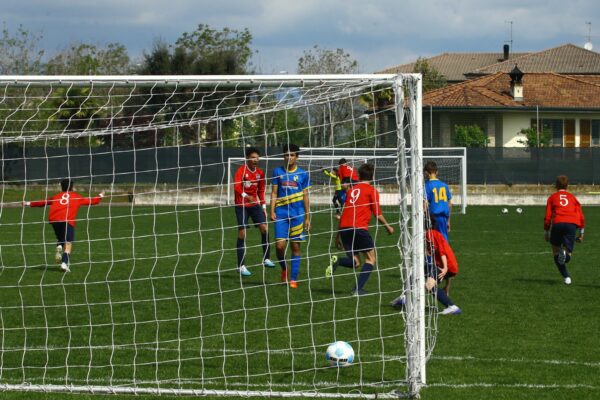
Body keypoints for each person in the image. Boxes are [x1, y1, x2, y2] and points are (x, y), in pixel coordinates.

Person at [326, 163, 394, 295]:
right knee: (371, 259)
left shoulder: (351, 191)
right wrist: (388, 227)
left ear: (359, 175)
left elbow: (345, 212)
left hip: (345, 228)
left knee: (356, 262)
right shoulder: (372, 191)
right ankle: (357, 290)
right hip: (359, 228)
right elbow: (378, 214)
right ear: (373, 176)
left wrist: (337, 236)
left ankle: (338, 261)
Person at [23, 179, 104, 272]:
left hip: (54, 219)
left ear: (61, 187)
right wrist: (100, 195)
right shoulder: (76, 196)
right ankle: (64, 264)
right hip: (66, 220)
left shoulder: (56, 196)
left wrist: (28, 203)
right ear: (72, 187)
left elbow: (43, 202)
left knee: (61, 237)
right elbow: (93, 201)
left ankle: (59, 246)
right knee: (68, 243)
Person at [391, 221, 461, 315]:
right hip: (446, 266)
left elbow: (442, 252)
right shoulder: (432, 234)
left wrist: (444, 268)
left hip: (446, 266)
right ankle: (404, 296)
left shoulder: (429, 234)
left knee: (429, 285)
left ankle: (452, 307)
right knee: (418, 271)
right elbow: (432, 251)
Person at [270, 144, 311, 289]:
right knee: (280, 246)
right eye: (286, 154)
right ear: (283, 156)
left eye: (292, 155)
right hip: (281, 213)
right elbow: (274, 193)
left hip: (297, 215)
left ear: (297, 157)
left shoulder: (303, 174)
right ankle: (284, 268)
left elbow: (306, 195)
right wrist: (272, 210)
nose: (289, 157)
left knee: (295, 247)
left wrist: (307, 217)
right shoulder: (277, 171)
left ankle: (293, 278)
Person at [233, 147, 275, 277]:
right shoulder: (241, 170)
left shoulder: (260, 173)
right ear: (247, 158)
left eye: (257, 157)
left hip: (254, 205)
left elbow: (261, 191)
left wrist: (264, 208)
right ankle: (241, 266)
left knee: (265, 228)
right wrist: (247, 196)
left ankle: (266, 259)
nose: (255, 160)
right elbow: (237, 187)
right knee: (242, 233)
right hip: (242, 205)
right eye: (252, 157)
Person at [544, 175, 585, 285]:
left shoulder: (552, 197)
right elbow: (581, 216)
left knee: (555, 252)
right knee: (568, 253)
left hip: (558, 223)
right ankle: (565, 256)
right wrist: (581, 232)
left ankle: (566, 276)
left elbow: (547, 216)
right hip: (571, 224)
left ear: (556, 185)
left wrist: (546, 231)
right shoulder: (572, 198)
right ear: (567, 185)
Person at [424, 161, 452, 241]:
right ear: (437, 172)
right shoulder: (444, 185)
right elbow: (449, 204)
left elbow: (424, 204)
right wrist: (448, 221)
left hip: (433, 219)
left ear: (426, 173)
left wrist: (423, 218)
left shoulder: (427, 186)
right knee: (443, 242)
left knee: (432, 242)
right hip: (443, 218)